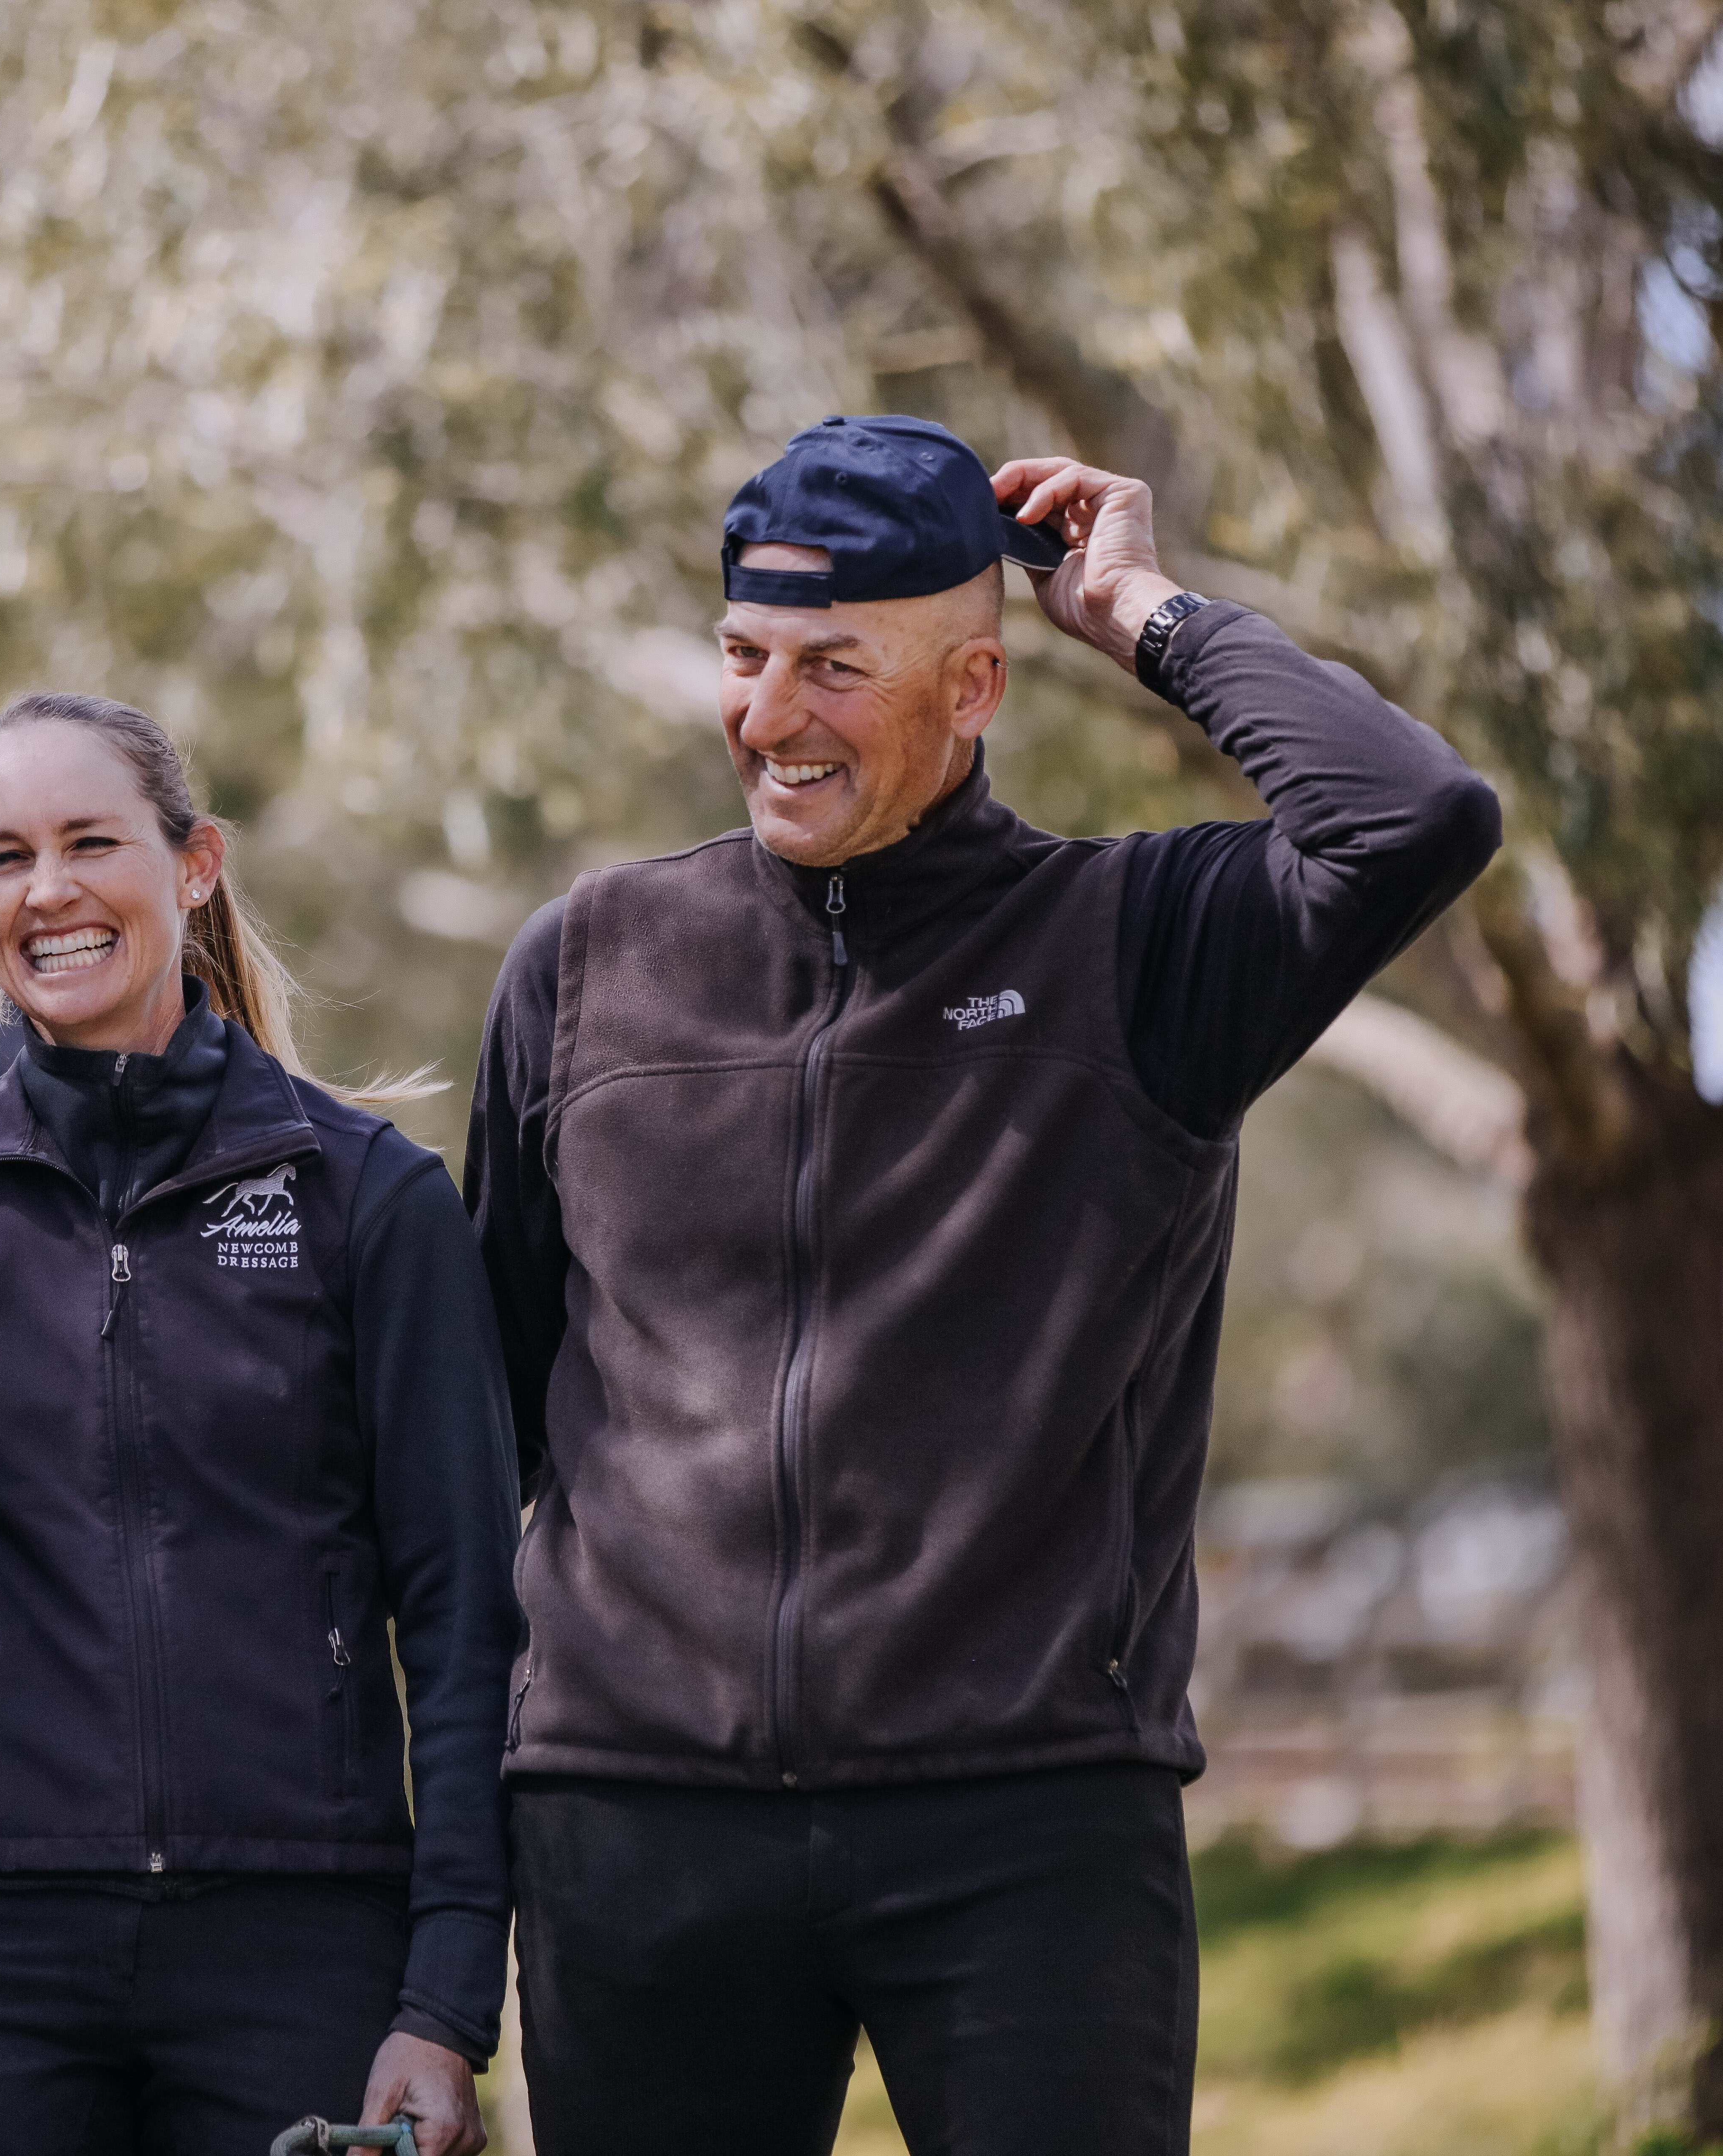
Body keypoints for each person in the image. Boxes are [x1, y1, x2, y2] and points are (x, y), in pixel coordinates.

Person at [469, 416, 1502, 2155]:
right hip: (638, 1827)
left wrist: (1147, 607)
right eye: (745, 655)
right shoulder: (584, 969)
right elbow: (482, 1406)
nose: (769, 717)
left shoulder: (1133, 947)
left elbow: (1412, 816)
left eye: (835, 669)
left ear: (976, 685)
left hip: (1027, 1823)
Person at [0, 693, 521, 2156]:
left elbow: (467, 1629)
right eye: (8, 859)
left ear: (195, 863)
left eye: (94, 842)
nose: (53, 891)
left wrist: (448, 2000)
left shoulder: (372, 1203)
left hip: (302, 1943)